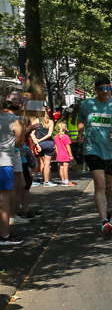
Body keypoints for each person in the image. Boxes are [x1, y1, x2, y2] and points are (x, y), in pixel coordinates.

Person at [79, 76, 112, 235]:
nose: (105, 92)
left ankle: (110, 205)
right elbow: (81, 119)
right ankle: (104, 220)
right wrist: (80, 133)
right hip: (92, 148)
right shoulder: (87, 104)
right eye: (102, 89)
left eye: (108, 88)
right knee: (100, 184)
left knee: (111, 185)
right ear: (96, 89)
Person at [0, 93, 27, 245]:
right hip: (3, 163)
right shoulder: (17, 121)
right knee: (4, 200)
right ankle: (4, 236)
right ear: (19, 106)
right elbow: (18, 144)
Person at [32, 108, 55, 186]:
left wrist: (37, 142)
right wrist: (40, 140)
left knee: (41, 162)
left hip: (40, 145)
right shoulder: (50, 122)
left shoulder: (35, 121)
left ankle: (45, 178)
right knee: (47, 163)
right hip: (48, 143)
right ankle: (47, 181)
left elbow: (31, 134)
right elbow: (49, 134)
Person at [53, 121, 74, 186]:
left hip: (59, 154)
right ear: (65, 128)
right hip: (65, 154)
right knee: (65, 168)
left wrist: (57, 153)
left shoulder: (56, 137)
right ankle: (66, 181)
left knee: (61, 167)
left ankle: (63, 181)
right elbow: (68, 146)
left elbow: (55, 146)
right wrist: (70, 155)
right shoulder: (66, 137)